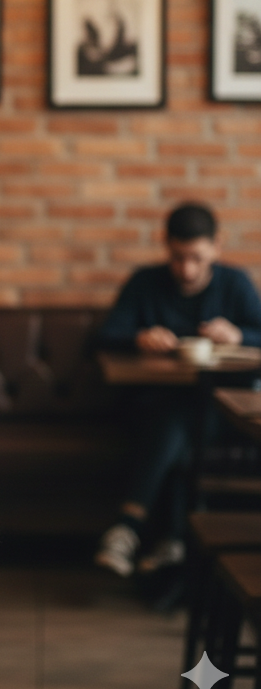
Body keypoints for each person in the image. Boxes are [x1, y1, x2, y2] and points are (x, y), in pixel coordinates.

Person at [95, 203, 261, 578]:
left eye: (197, 258)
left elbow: (259, 332)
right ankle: (172, 541)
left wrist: (240, 335)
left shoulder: (234, 283)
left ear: (217, 247)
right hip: (152, 406)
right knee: (177, 419)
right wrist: (139, 336)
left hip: (218, 414)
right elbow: (105, 335)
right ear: (166, 246)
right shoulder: (145, 282)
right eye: (178, 257)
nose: (186, 269)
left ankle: (130, 527)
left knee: (179, 420)